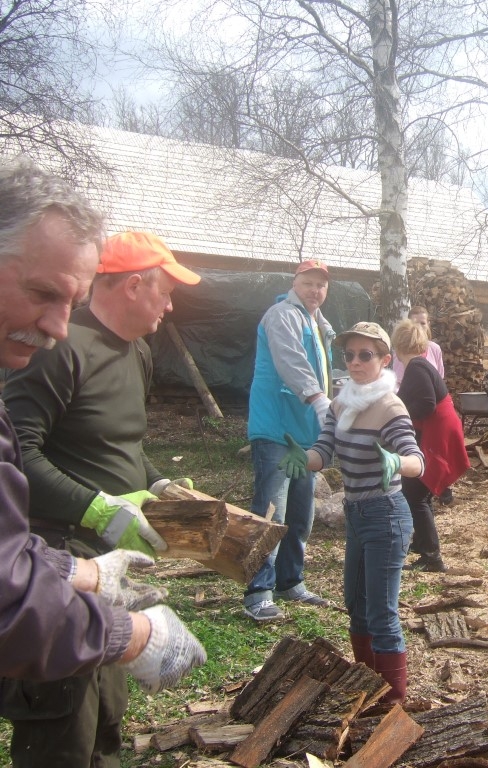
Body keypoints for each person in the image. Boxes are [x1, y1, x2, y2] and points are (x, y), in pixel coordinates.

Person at [0, 164, 205, 765]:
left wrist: (154, 481)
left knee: (107, 720)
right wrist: (93, 509)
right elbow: (23, 454)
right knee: (62, 725)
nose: (170, 306)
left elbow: (121, 440)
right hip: (50, 555)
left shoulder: (135, 353)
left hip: (102, 563)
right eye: (166, 291)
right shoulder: (53, 350)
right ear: (135, 285)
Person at [280, 322, 424, 704]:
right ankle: (367, 690)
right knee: (356, 608)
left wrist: (397, 462)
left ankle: (392, 705)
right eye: (350, 355)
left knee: (381, 614)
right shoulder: (342, 401)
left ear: (384, 360)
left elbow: (417, 461)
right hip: (356, 515)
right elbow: (323, 451)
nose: (356, 362)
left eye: (366, 355)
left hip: (386, 515)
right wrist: (303, 459)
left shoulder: (390, 405)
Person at [245, 259, 335, 622]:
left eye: (322, 285)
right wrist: (317, 398)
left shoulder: (319, 323)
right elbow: (290, 361)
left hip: (305, 434)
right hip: (277, 428)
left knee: (300, 513)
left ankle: (289, 580)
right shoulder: (281, 314)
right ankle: (258, 592)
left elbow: (322, 370)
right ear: (295, 283)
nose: (316, 290)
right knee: (271, 512)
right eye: (310, 283)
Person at [393, 320, 470, 572]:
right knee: (418, 491)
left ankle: (431, 557)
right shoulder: (420, 364)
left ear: (397, 345)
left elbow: (426, 404)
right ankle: (421, 543)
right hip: (438, 430)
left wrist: (399, 414)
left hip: (437, 433)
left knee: (416, 494)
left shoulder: (416, 367)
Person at [392, 305, 444, 386]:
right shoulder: (401, 349)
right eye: (415, 323)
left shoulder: (435, 349)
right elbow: (398, 384)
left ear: (428, 324)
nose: (419, 327)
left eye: (423, 323)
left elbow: (440, 380)